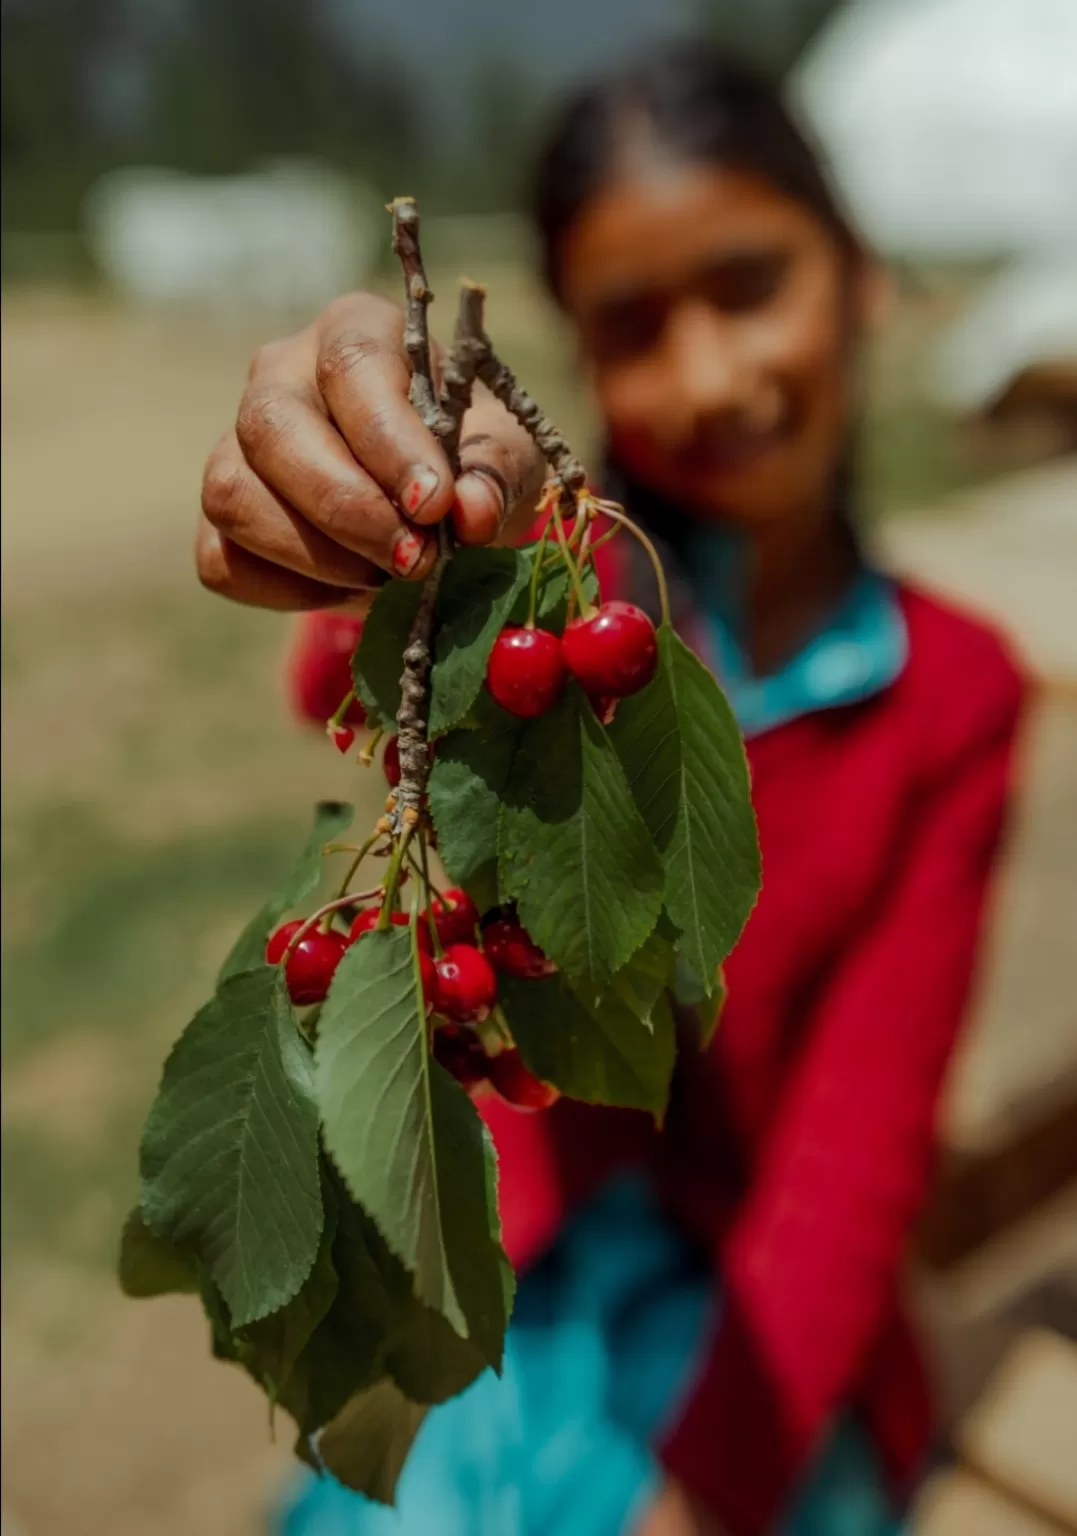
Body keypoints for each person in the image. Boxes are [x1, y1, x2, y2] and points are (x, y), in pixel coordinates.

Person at [197, 46, 1026, 1536]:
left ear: (862, 277)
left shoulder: (955, 696)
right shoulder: (566, 608)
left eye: (750, 283)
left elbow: (856, 1150)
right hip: (500, 1291)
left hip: (750, 1357)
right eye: (636, 326)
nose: (710, 376)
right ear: (576, 349)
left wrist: (699, 1499)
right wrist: (417, 488)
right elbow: (349, 668)